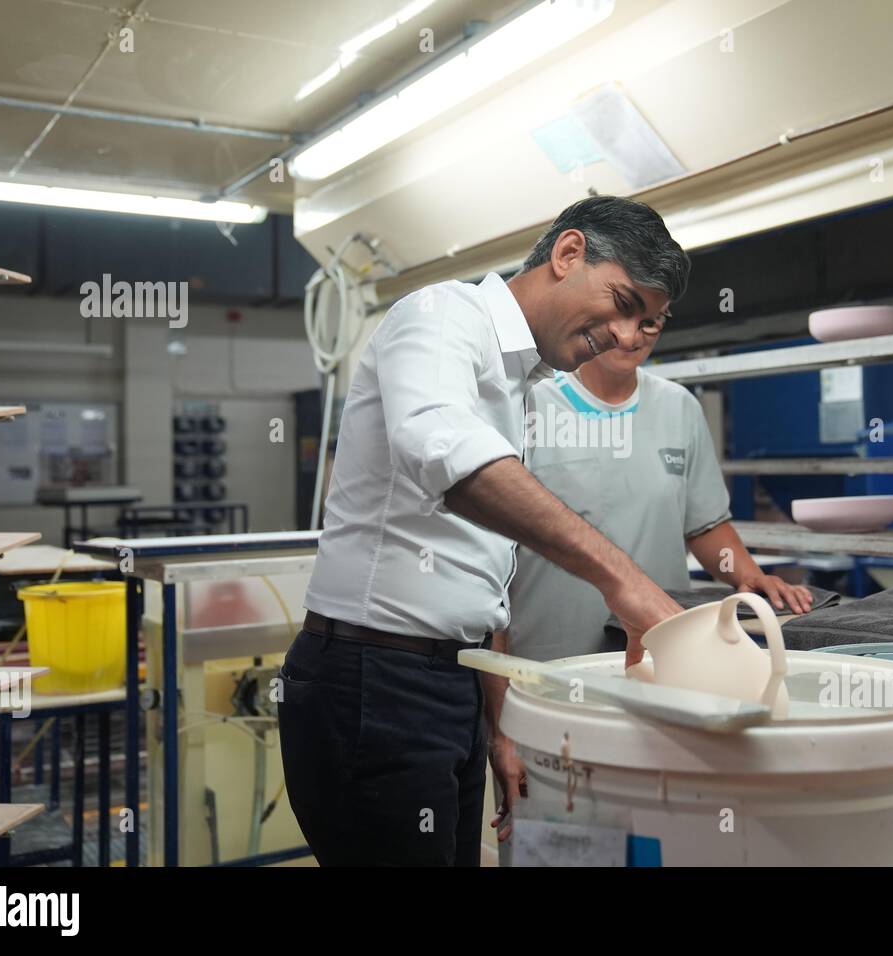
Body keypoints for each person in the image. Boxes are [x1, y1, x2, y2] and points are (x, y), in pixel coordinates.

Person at [277, 196, 690, 866]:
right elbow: (445, 456)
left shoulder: (517, 382)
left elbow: (483, 581)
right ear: (567, 254)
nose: (624, 335)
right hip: (373, 685)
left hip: (447, 684)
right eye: (621, 302)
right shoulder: (442, 318)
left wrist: (497, 729)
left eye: (646, 322)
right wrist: (623, 580)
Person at [486, 309, 814, 844]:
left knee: (656, 840)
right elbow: (491, 574)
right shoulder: (529, 406)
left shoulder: (678, 408)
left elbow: (705, 524)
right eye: (623, 315)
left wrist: (748, 575)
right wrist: (502, 727)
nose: (634, 336)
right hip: (545, 686)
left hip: (654, 684)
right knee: (558, 849)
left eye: (653, 322)